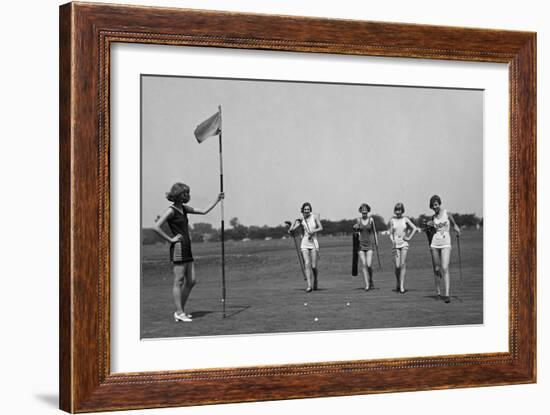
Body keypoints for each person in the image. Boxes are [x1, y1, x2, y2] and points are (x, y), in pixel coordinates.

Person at [153, 182, 224, 322]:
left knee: (191, 281)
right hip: (178, 248)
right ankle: (179, 312)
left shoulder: (184, 209)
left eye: (187, 193)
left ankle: (180, 311)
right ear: (177, 195)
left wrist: (217, 199)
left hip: (187, 247)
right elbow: (156, 227)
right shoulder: (171, 210)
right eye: (184, 193)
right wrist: (170, 239)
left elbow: (203, 211)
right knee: (178, 280)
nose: (187, 195)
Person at [426, 195, 461, 303]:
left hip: (446, 244)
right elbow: (429, 233)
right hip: (435, 245)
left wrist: (456, 227)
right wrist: (428, 226)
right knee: (437, 269)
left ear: (439, 204)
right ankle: (438, 292)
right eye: (433, 206)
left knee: (445, 267)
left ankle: (447, 295)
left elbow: (455, 225)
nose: (435, 207)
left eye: (436, 204)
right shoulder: (433, 218)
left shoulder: (447, 213)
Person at [289, 202, 323, 292]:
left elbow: (321, 227)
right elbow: (292, 230)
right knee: (307, 264)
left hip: (314, 242)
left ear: (310, 210)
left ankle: (315, 279)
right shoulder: (301, 219)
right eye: (305, 210)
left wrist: (313, 231)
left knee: (314, 266)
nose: (306, 211)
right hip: (304, 243)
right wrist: (293, 223)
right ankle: (309, 285)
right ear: (302, 211)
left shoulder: (315, 216)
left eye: (308, 209)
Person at [387, 202, 418, 294]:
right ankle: (398, 281)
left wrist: (408, 238)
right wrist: (393, 241)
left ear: (402, 210)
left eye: (399, 210)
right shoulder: (392, 220)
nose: (398, 211)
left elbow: (415, 228)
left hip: (404, 244)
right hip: (396, 245)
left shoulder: (405, 219)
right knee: (397, 266)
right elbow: (390, 233)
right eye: (396, 210)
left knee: (403, 264)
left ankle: (401, 286)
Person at [353, 203, 376, 291]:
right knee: (364, 264)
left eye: (365, 210)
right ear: (361, 211)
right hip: (361, 245)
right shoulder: (358, 220)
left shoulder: (371, 220)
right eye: (362, 211)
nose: (364, 212)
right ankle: (367, 285)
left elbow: (374, 232)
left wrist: (376, 242)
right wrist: (355, 227)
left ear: (368, 211)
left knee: (369, 265)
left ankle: (371, 280)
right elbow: (356, 229)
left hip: (369, 244)